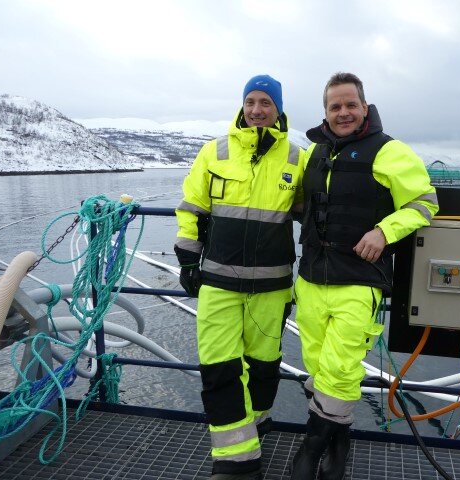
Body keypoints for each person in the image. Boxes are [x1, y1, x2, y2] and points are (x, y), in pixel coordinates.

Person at [290, 72, 439, 480]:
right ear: (325, 111)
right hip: (310, 279)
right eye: (335, 106)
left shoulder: (390, 151)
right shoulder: (313, 153)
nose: (343, 113)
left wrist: (383, 231)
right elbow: (297, 201)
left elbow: (425, 204)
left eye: (350, 104)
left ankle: (312, 446)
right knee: (318, 365)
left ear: (364, 106)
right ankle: (340, 441)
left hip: (359, 280)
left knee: (341, 367)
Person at [174, 74, 304, 480]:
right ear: (242, 105)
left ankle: (256, 426)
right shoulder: (214, 151)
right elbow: (192, 207)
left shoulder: (298, 159)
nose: (257, 110)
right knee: (219, 366)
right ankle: (236, 460)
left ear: (279, 109)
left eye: (266, 102)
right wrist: (188, 261)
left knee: (264, 366)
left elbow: (320, 214)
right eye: (251, 101)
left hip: (272, 285)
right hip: (218, 282)